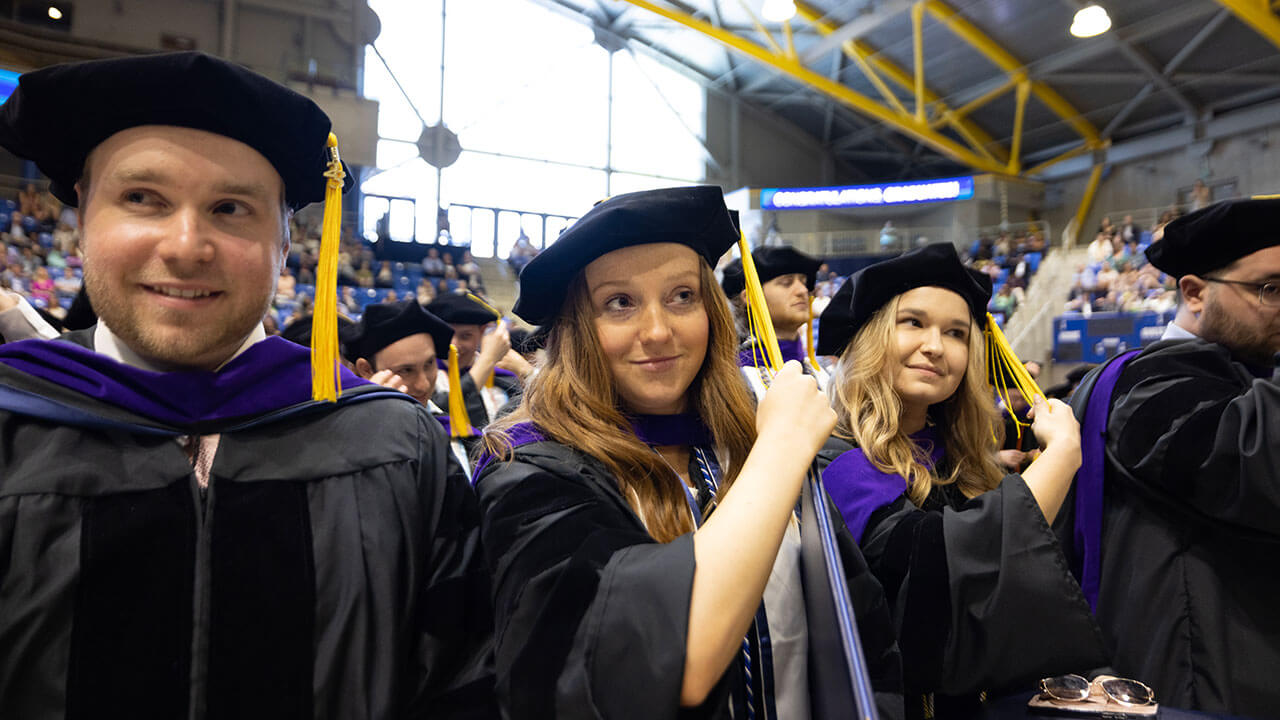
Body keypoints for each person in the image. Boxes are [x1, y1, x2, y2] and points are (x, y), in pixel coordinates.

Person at [0, 52, 496, 718]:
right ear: (81, 214)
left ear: (285, 239)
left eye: (231, 208)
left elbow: (463, 686)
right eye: (143, 198)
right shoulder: (13, 428)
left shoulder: (400, 450)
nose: (185, 246)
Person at [475, 186, 903, 719]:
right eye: (619, 303)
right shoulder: (531, 471)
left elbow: (861, 638)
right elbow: (652, 663)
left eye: (682, 296)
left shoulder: (745, 441)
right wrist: (782, 450)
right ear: (577, 329)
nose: (658, 331)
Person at [815, 243, 1106, 719]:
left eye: (956, 333)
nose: (935, 346)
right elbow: (939, 568)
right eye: (913, 322)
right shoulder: (836, 454)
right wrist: (1062, 457)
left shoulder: (961, 456)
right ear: (869, 336)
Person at [1064, 197, 1280, 715]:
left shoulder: (1232, 374)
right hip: (1197, 674)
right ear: (1194, 291)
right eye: (1270, 289)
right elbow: (1260, 463)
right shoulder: (1153, 387)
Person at [346, 298, 475, 476]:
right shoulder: (348, 441)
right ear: (366, 370)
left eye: (429, 364)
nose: (423, 385)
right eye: (406, 370)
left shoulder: (455, 431)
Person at [721, 245, 828, 397]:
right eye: (786, 282)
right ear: (750, 297)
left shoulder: (823, 374)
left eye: (803, 282)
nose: (803, 290)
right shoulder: (735, 384)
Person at [427, 292, 525, 427]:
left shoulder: (504, 378)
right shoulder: (422, 378)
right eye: (446, 335)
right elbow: (437, 414)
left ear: (482, 332)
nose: (454, 345)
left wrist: (528, 372)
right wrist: (487, 360)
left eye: (465, 336)